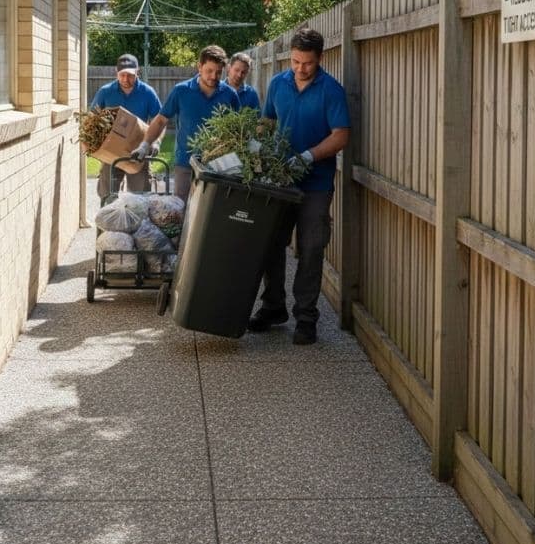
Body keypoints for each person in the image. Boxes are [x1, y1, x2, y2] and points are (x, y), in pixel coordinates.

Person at [249, 27, 350, 345]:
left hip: (316, 184)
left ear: (319, 59)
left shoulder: (331, 90)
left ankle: (306, 318)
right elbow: (267, 121)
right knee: (269, 244)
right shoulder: (278, 83)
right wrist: (255, 148)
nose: (300, 68)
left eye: (306, 63)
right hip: (279, 181)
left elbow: (341, 135)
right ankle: (273, 307)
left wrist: (308, 156)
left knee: (311, 250)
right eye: (295, 61)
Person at [132, 45, 240, 202]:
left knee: (212, 209)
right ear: (199, 66)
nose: (213, 76)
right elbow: (162, 119)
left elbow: (237, 129)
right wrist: (145, 144)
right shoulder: (181, 91)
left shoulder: (230, 95)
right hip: (185, 162)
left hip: (217, 165)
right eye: (209, 71)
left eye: (218, 72)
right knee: (181, 208)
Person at [90, 54, 162, 201]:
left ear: (137, 72)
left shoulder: (147, 92)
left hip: (138, 150)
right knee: (108, 195)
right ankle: (107, 223)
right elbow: (92, 118)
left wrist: (156, 142)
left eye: (130, 75)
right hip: (111, 151)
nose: (125, 79)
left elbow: (159, 120)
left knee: (139, 197)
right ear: (116, 72)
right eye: (122, 75)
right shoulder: (105, 92)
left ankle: (137, 223)